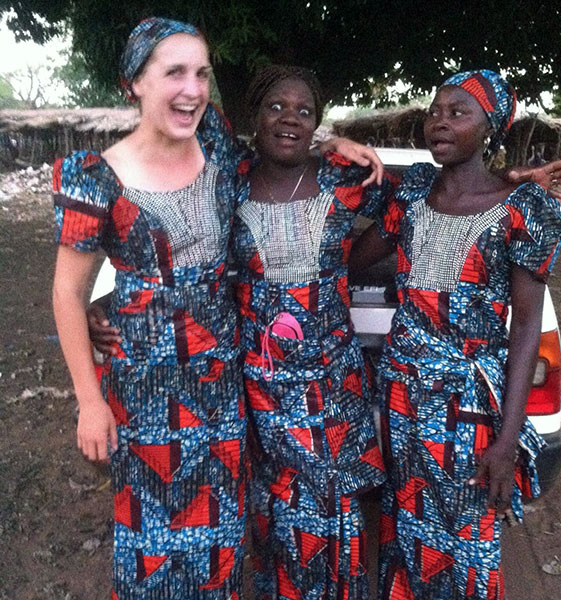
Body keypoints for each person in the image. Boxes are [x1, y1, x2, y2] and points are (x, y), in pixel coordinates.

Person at [350, 70, 561, 599]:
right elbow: (359, 260)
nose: (439, 122)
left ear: (490, 126)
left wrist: (508, 438)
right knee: (406, 526)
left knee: (467, 533)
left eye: (458, 112)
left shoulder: (524, 210)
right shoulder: (415, 194)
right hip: (402, 398)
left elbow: (525, 329)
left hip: (467, 408)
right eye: (434, 111)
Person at [52, 18, 249, 599]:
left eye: (201, 74)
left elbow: (285, 146)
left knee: (221, 539)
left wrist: (337, 143)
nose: (192, 89)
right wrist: (90, 403)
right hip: (143, 395)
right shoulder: (96, 179)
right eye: (174, 73)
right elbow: (67, 293)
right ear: (134, 83)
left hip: (219, 386)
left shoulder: (216, 151)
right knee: (152, 542)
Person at [231, 65, 398, 599]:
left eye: (305, 112)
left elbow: (421, 204)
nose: (290, 119)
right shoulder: (227, 183)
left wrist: (508, 183)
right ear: (255, 117)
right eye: (276, 107)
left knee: (334, 508)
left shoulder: (344, 179)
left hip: (333, 385)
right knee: (277, 508)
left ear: (317, 123)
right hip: (261, 387)